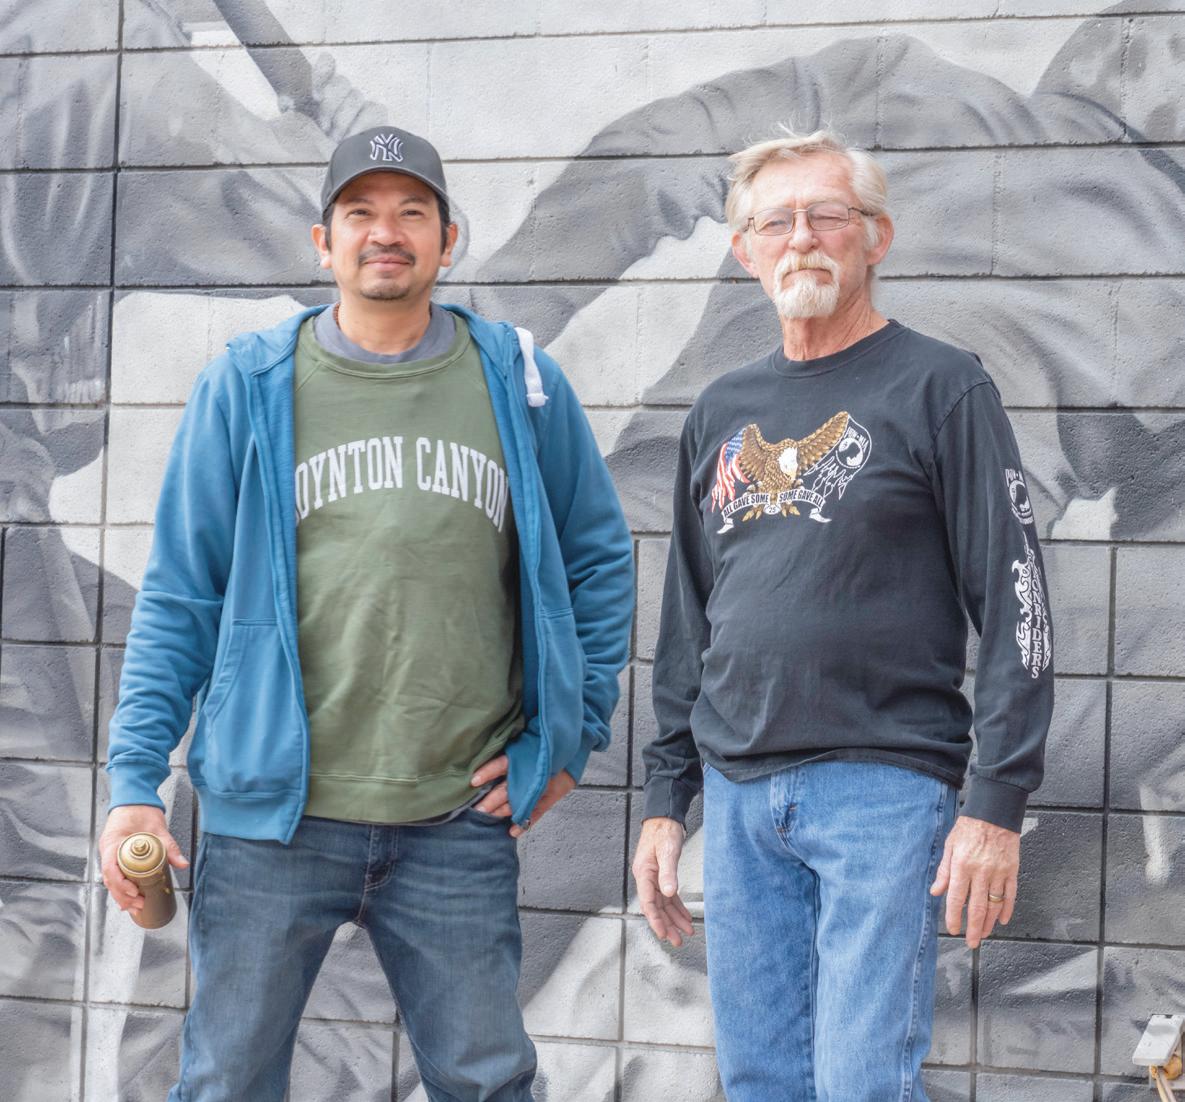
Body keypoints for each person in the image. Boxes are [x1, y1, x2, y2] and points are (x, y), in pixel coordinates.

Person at [98, 124, 634, 1102]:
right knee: (226, 1083)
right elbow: (181, 592)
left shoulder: (517, 381)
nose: (385, 232)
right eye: (360, 213)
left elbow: (598, 557)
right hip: (271, 822)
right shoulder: (249, 384)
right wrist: (134, 780)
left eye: (411, 212)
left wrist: (568, 736)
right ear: (323, 242)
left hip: (454, 820)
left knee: (487, 1083)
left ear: (448, 239)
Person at [631, 128, 1053, 1101]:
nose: (801, 239)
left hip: (883, 793)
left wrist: (995, 804)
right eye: (775, 222)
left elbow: (1018, 602)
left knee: (863, 1083)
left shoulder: (942, 386)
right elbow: (688, 623)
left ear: (876, 237)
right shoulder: (720, 411)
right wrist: (664, 799)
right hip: (738, 799)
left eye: (828, 215)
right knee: (760, 1082)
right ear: (744, 251)